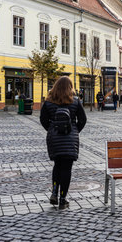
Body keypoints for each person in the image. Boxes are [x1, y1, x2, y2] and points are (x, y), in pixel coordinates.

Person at [40, 76, 87, 210]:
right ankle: (62, 199)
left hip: (54, 138)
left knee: (57, 165)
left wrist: (51, 129)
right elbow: (83, 120)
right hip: (70, 138)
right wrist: (75, 130)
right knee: (67, 169)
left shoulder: (48, 102)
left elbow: (43, 120)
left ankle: (54, 192)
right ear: (70, 87)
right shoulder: (75, 101)